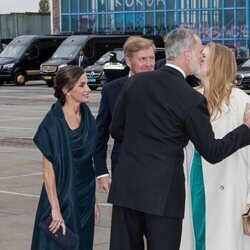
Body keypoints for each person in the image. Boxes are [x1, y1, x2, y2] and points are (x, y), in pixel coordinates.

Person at [107, 28, 250, 250]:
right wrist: (246, 129)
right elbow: (212, 151)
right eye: (199, 51)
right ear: (187, 54)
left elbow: (117, 130)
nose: (201, 56)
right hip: (163, 195)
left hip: (127, 191)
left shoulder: (135, 82)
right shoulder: (190, 98)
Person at [180, 42, 250, 250]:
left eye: (204, 55)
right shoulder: (190, 97)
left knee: (220, 240)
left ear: (218, 62)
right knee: (196, 235)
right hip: (195, 179)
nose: (198, 57)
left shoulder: (240, 101)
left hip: (230, 188)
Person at [31, 65, 99, 250]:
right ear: (66, 90)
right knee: (59, 244)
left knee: (83, 243)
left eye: (87, 84)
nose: (88, 90)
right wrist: (55, 208)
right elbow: (47, 170)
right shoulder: (53, 123)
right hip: (62, 194)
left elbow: (88, 162)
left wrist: (93, 201)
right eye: (82, 85)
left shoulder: (87, 116)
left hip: (85, 195)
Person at [94, 36, 156, 192]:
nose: (149, 64)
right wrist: (101, 172)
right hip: (123, 166)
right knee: (124, 215)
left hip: (157, 167)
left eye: (152, 58)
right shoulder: (111, 90)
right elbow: (100, 134)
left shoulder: (165, 87)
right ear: (128, 61)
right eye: (143, 59)